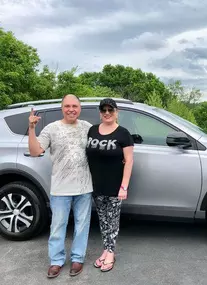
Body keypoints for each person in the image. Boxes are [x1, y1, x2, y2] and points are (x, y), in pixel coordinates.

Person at [28, 94, 93, 278]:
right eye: (67, 106)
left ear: (80, 108)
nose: (71, 109)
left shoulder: (87, 127)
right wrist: (31, 128)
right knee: (58, 225)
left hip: (84, 187)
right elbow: (35, 151)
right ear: (61, 108)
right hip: (60, 188)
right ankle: (56, 261)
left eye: (74, 106)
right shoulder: (52, 128)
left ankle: (77, 259)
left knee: (82, 226)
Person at [86, 98, 134, 272]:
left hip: (115, 186)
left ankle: (111, 253)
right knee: (103, 220)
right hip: (96, 185)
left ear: (116, 112)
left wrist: (124, 186)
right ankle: (105, 250)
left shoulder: (123, 133)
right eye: (104, 110)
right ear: (100, 112)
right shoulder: (92, 130)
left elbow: (128, 161)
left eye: (110, 110)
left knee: (112, 220)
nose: (107, 113)